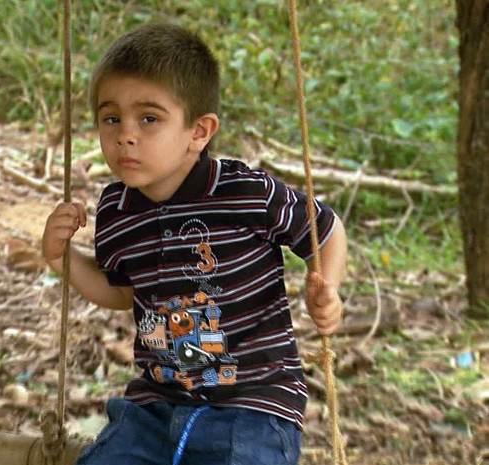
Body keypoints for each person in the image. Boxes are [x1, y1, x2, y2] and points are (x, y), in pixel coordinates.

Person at [42, 22, 347, 465]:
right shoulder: (116, 210)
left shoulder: (245, 192)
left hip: (253, 407)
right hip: (153, 408)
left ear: (199, 131)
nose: (125, 134)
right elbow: (122, 292)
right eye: (112, 118)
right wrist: (61, 258)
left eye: (149, 118)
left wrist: (329, 287)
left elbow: (326, 229)